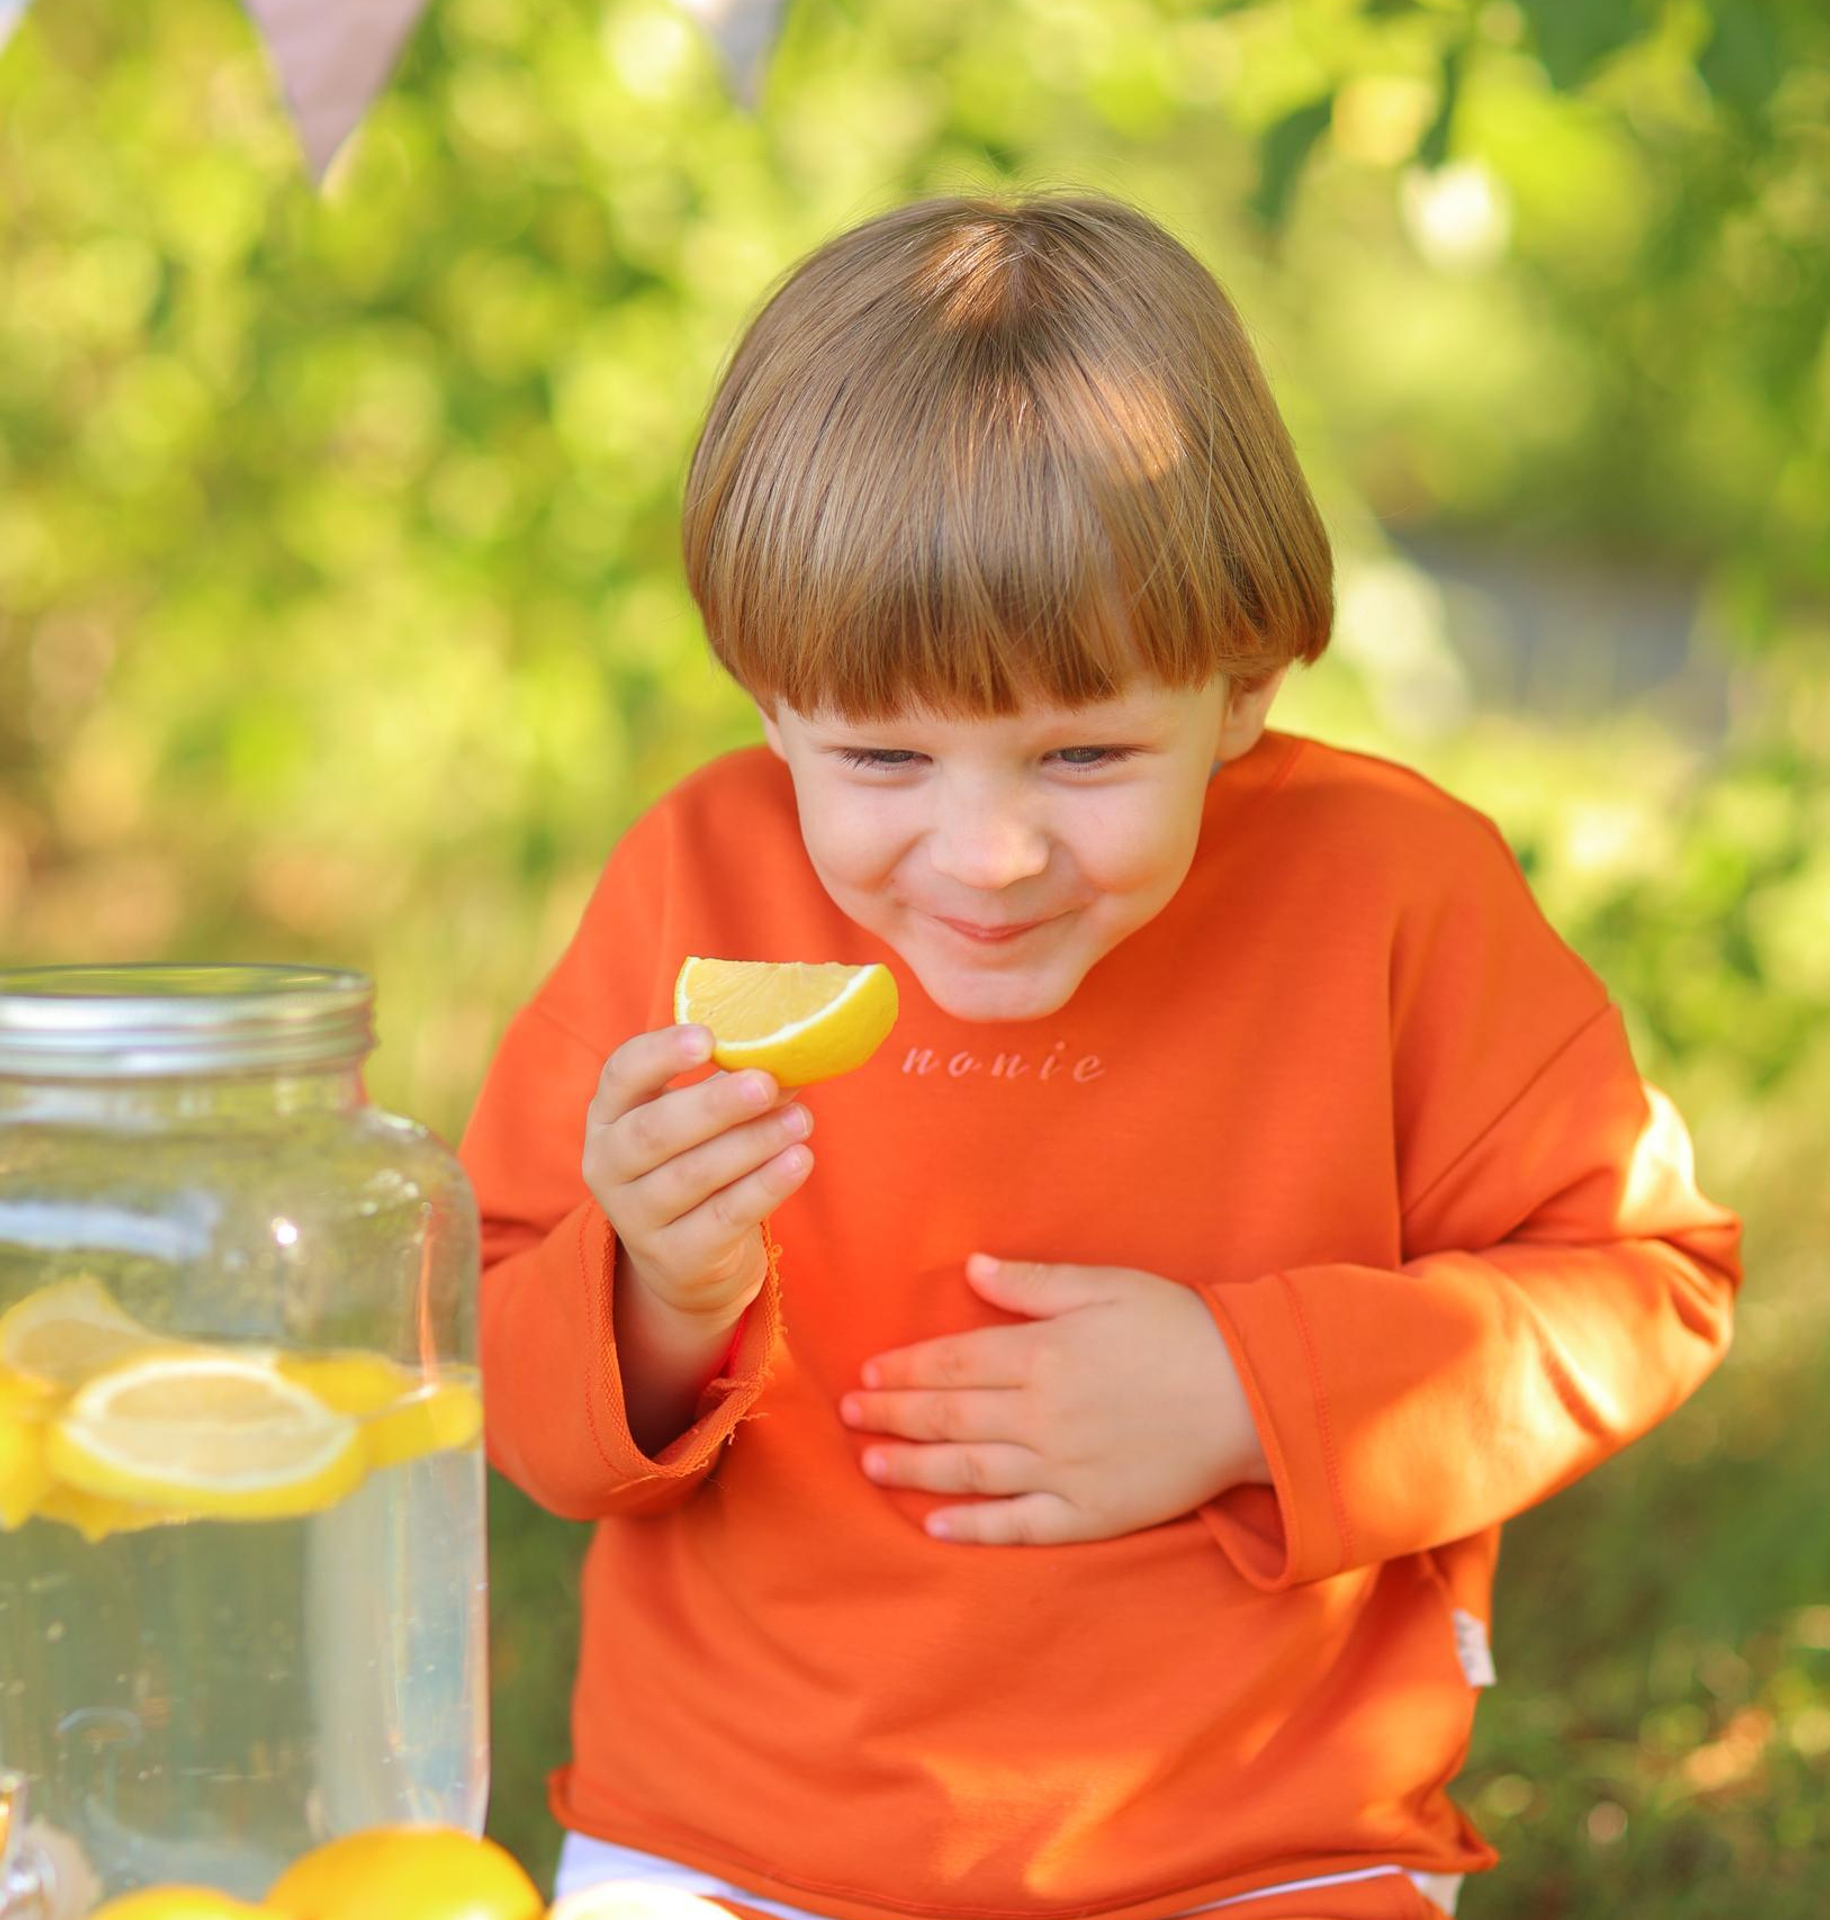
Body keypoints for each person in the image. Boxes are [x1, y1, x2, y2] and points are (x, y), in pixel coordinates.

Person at [459, 191, 1743, 1920]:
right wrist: (657, 1294)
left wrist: (1245, 1393)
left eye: (1083, 756)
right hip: (730, 1847)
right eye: (884, 759)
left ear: (1242, 686)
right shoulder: (696, 884)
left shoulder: (1393, 895)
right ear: (766, 697)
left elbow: (1641, 1282)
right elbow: (492, 1358)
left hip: (1265, 1851)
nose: (987, 855)